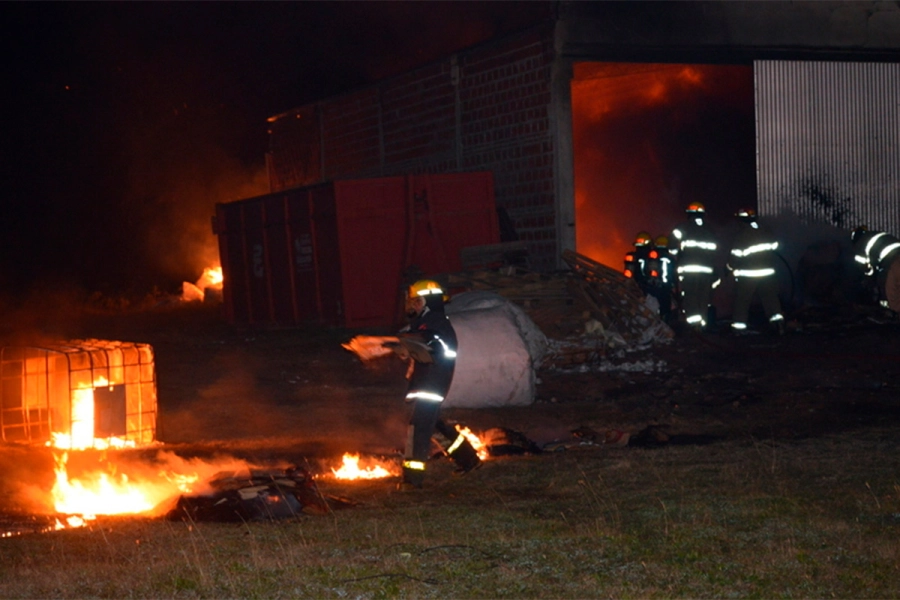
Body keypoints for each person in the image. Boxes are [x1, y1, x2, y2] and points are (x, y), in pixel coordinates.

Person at [343, 280, 481, 489]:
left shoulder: (434, 322)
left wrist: (380, 343)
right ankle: (469, 459)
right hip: (428, 382)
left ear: (428, 301)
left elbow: (420, 342)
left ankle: (412, 480)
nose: (413, 305)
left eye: (417, 301)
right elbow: (412, 343)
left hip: (433, 383)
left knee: (418, 429)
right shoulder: (428, 321)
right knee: (434, 425)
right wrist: (382, 346)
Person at [726, 208, 785, 334]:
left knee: (742, 301)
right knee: (771, 300)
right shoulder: (765, 231)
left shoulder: (742, 236)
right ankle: (778, 325)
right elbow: (776, 246)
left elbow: (735, 257)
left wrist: (728, 269)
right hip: (768, 274)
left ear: (742, 221)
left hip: (748, 275)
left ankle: (739, 328)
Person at [670, 202, 720, 331]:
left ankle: (694, 325)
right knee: (703, 298)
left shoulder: (682, 228)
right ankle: (702, 325)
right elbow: (717, 252)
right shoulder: (710, 230)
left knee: (690, 297)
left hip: (689, 270)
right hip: (706, 271)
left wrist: (678, 256)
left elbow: (671, 247)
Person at [851, 225, 900, 308]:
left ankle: (888, 310)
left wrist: (869, 279)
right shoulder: (877, 234)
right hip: (897, 257)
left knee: (887, 287)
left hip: (891, 261)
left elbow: (866, 269)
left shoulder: (859, 245)